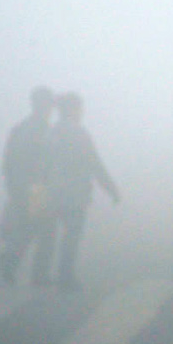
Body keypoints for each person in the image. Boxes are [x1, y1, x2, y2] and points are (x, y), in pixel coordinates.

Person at [38, 92, 120, 292]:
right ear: (74, 110)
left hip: (51, 192)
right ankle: (65, 276)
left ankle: (39, 274)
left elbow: (42, 164)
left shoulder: (51, 132)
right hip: (74, 195)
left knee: (48, 234)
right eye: (80, 108)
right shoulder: (79, 133)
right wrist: (111, 188)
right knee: (71, 236)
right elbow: (94, 163)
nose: (82, 112)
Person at [0, 86, 57, 285]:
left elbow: (6, 161)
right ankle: (36, 273)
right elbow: (45, 161)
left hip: (18, 185)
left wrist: (12, 186)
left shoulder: (19, 128)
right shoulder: (43, 130)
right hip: (36, 188)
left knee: (27, 226)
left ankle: (10, 259)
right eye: (49, 104)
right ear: (45, 105)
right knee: (46, 230)